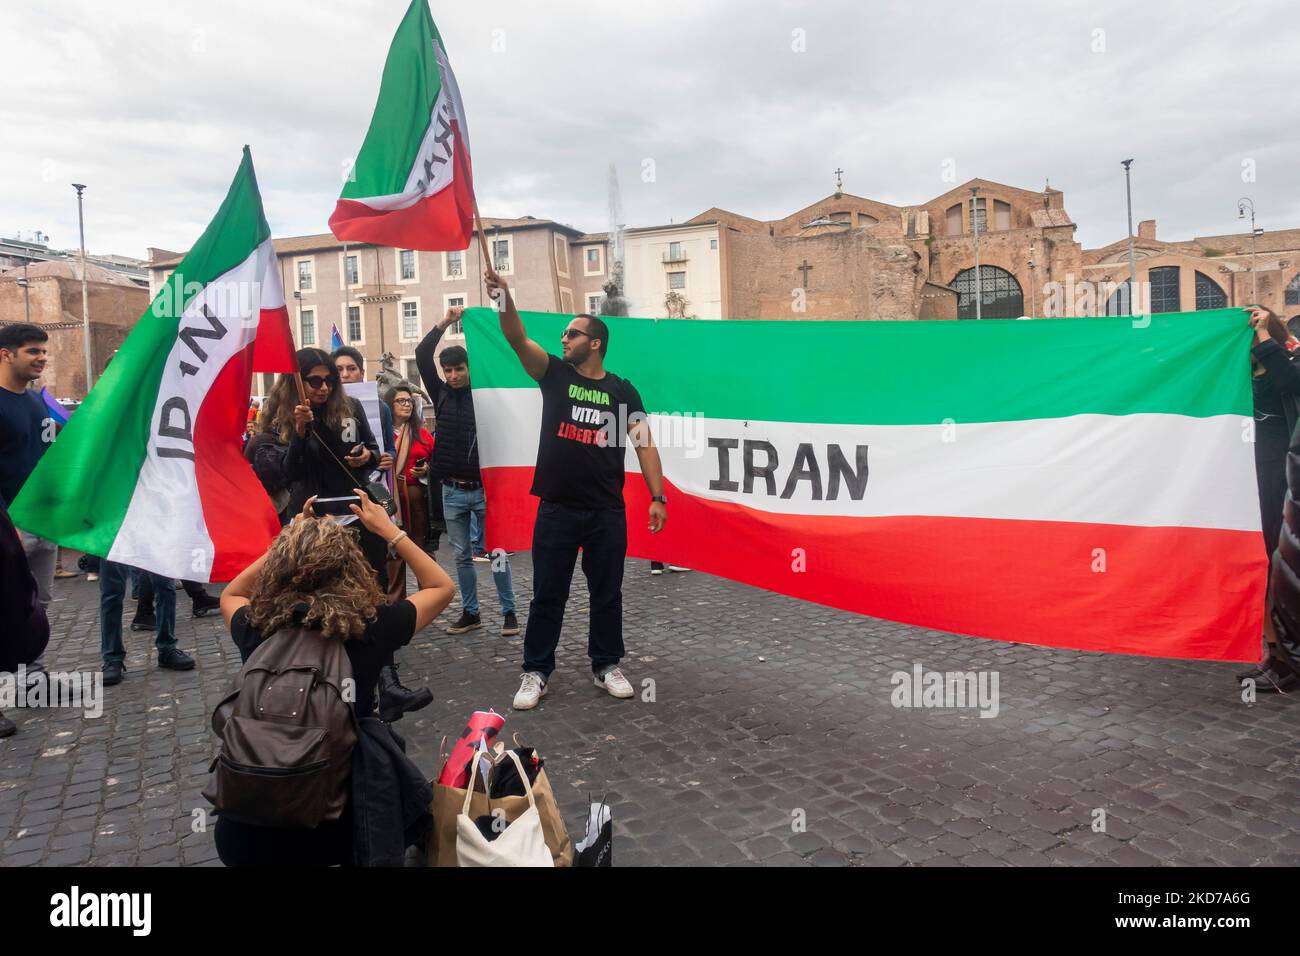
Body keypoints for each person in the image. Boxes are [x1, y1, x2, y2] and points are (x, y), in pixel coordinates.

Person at [214, 492, 455, 866]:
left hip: (243, 830)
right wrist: (389, 529)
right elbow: (441, 587)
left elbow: (233, 592)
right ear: (352, 568)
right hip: (336, 826)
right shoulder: (369, 628)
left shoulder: (256, 627)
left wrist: (290, 538)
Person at [486, 268, 667, 710]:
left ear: (596, 342)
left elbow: (644, 444)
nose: (564, 339)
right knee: (549, 593)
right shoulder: (554, 375)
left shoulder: (624, 391)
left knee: (607, 595)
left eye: (572, 333)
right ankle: (536, 671)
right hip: (557, 510)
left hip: (606, 512)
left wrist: (658, 496)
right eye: (564, 334)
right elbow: (516, 340)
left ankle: (606, 665)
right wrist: (504, 298)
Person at [278, 348, 430, 720]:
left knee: (373, 599)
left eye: (329, 379)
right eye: (315, 381)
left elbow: (375, 451)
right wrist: (299, 434)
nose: (325, 387)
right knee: (324, 603)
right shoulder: (283, 415)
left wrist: (366, 456)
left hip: (360, 516)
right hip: (317, 526)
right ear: (297, 380)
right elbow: (287, 474)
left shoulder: (349, 408)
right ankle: (328, 687)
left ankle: (387, 683)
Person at [414, 306, 519, 637]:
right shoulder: (441, 393)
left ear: (470, 368)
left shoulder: (485, 394)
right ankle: (471, 613)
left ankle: (509, 612)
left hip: (485, 488)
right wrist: (445, 321)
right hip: (452, 490)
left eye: (459, 368)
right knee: (461, 556)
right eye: (448, 370)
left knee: (497, 551)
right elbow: (421, 353)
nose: (453, 375)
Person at [1241, 306, 1300, 691]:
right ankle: (1275, 655)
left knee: (1282, 568)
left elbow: (1288, 383)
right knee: (1265, 568)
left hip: (1285, 481)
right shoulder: (1238, 373)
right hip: (1254, 481)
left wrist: (1263, 337)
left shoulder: (1289, 363)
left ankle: (1287, 663)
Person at [0, 324, 58, 683]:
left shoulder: (39, 403)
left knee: (37, 606)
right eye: (33, 351)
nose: (42, 358)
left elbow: (51, 458)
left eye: (43, 352)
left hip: (43, 522)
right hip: (9, 529)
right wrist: (8, 527)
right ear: (5, 354)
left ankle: (28, 677)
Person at [99, 556, 194, 685]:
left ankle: (167, 648)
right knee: (111, 594)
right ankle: (112, 657)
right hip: (112, 537)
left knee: (166, 587)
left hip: (151, 536)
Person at [384, 383, 434, 602]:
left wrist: (426, 470)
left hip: (415, 500)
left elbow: (435, 461)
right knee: (393, 549)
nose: (406, 405)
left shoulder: (421, 433)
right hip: (389, 499)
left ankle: (430, 595)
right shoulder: (381, 434)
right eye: (400, 401)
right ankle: (396, 599)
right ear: (390, 405)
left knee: (419, 547)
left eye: (409, 401)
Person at [333, 346, 395, 474]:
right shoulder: (321, 406)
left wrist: (389, 457)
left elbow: (390, 447)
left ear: (362, 373)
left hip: (374, 480)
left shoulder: (382, 408)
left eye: (351, 369)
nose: (345, 375)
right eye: (338, 369)